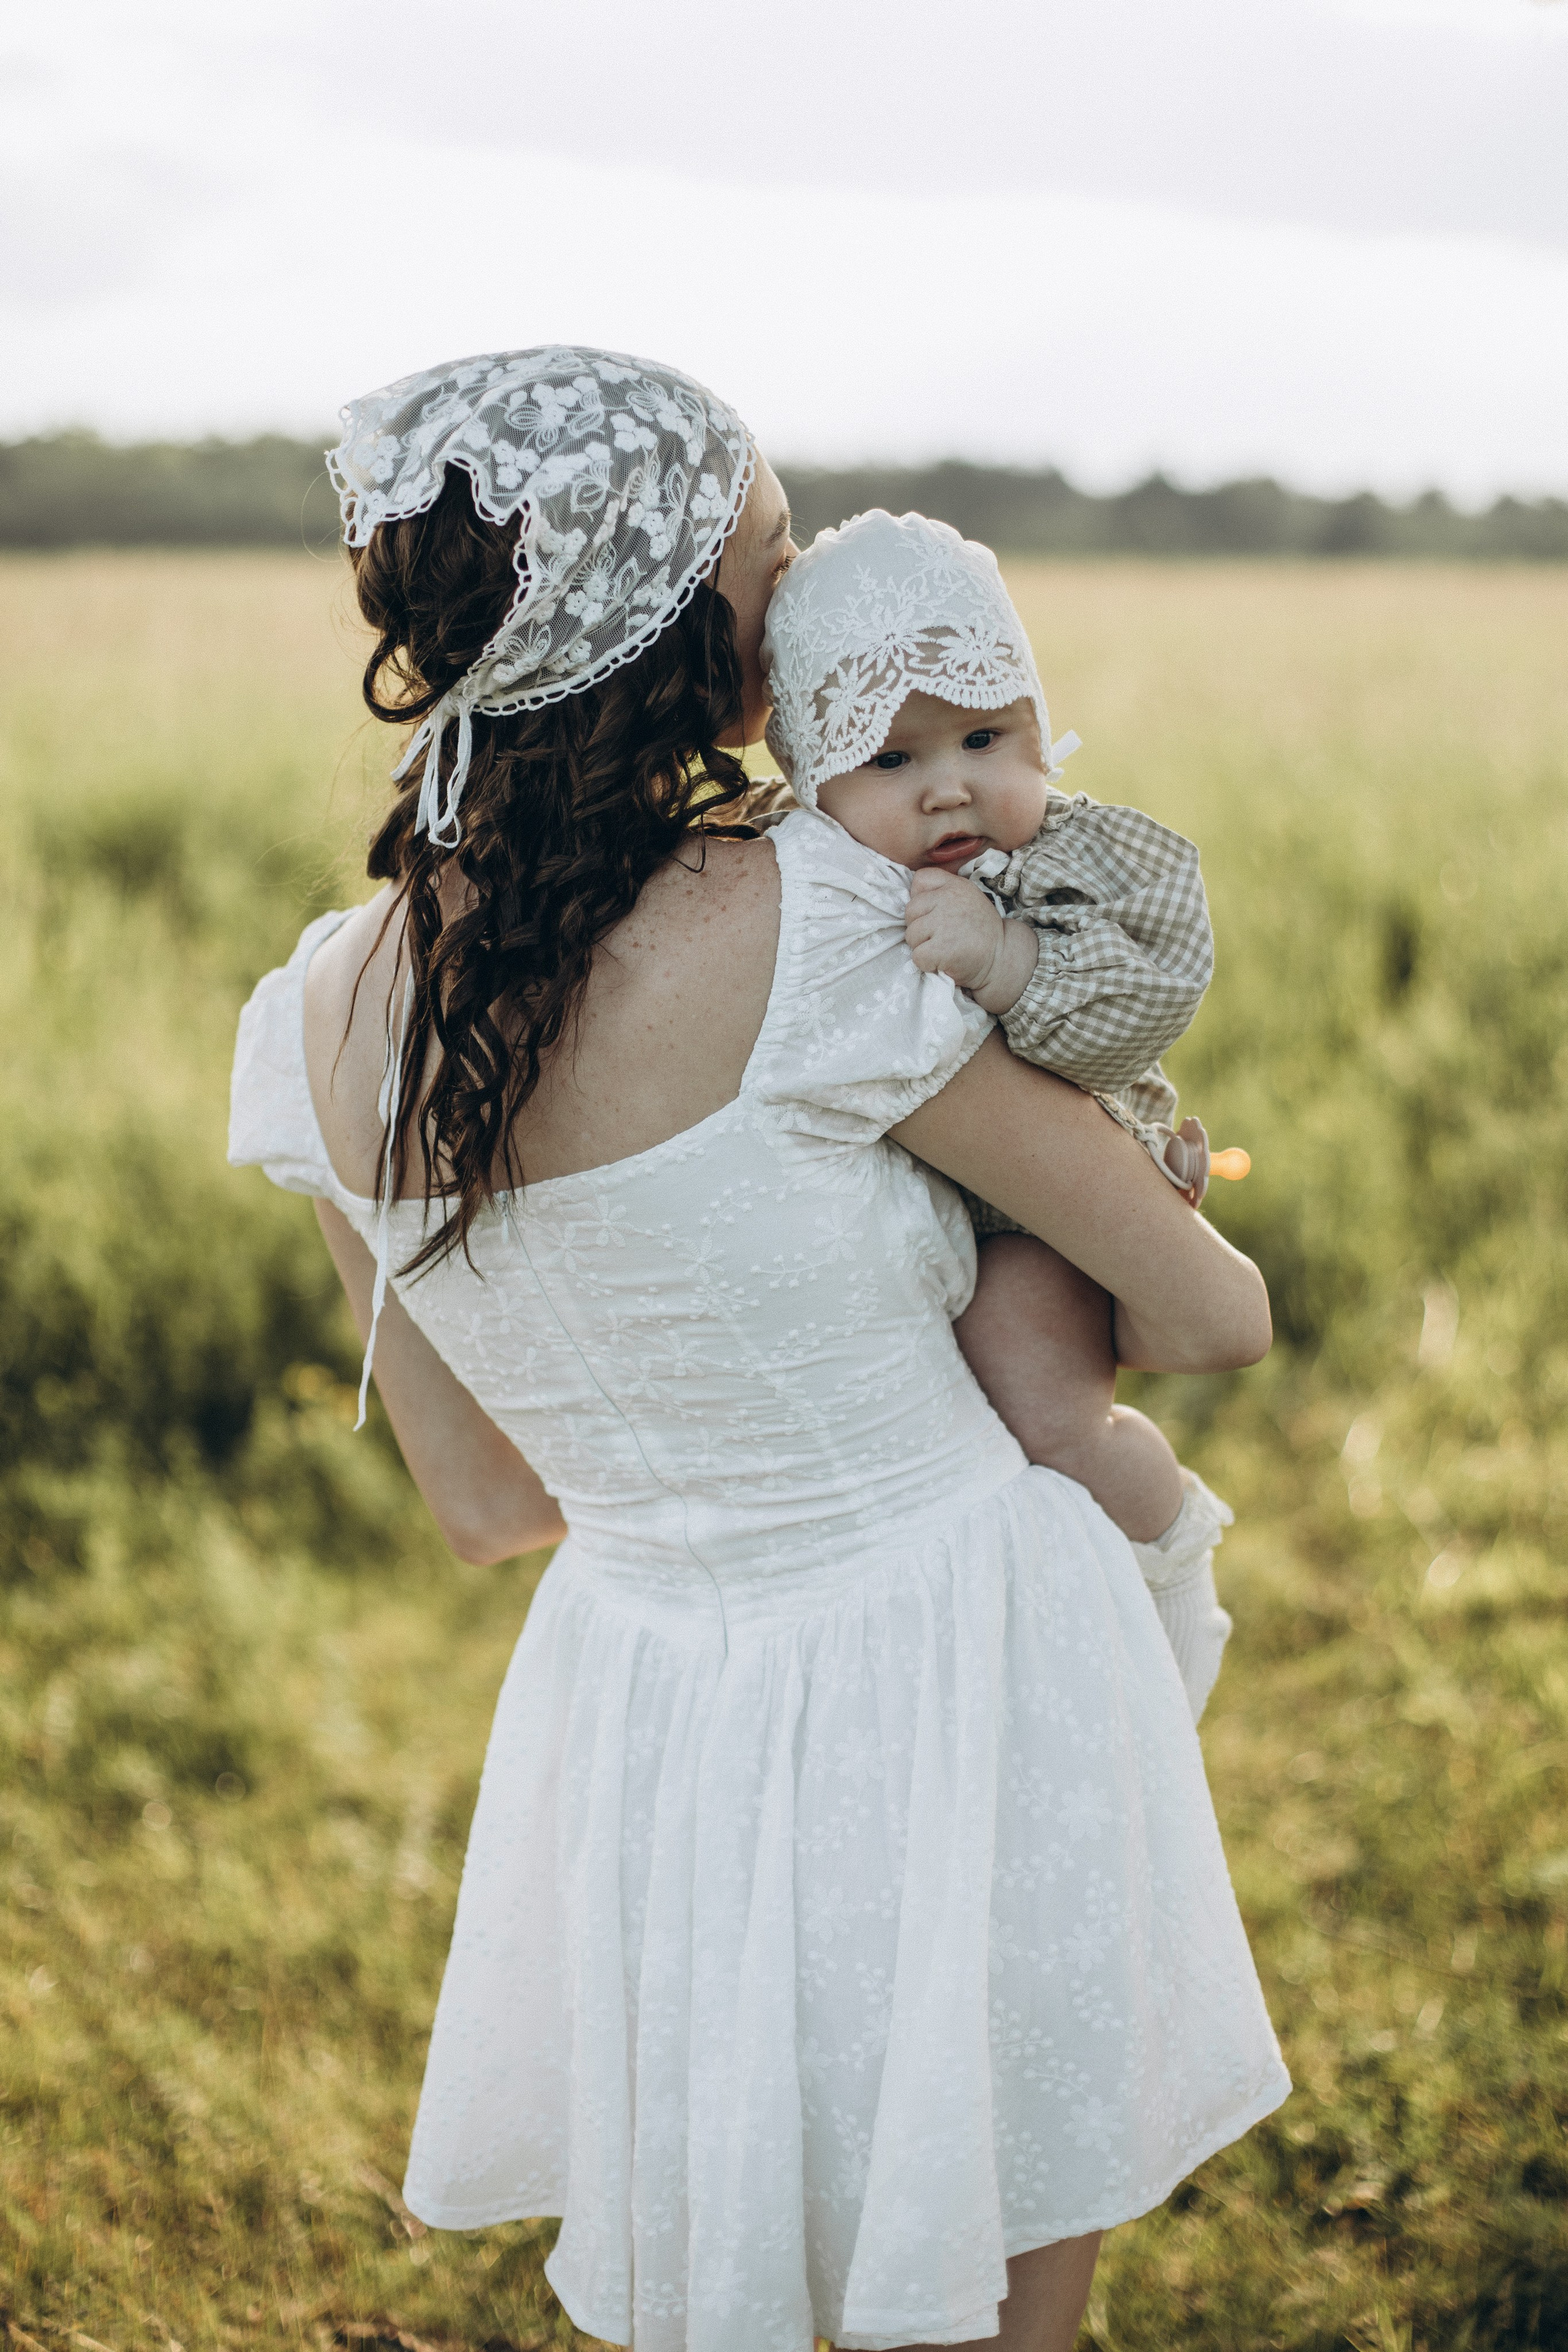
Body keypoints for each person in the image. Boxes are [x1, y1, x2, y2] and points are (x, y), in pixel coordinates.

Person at [228, 345, 1289, 2352]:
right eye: (776, 556)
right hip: (955, 1664)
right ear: (668, 623)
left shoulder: (312, 1021)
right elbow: (1214, 1311)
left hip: (649, 1718)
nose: (796, 602)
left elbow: (479, 1508)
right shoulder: (815, 920)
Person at [761, 509, 1235, 1718]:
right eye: (890, 759)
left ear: (1037, 726)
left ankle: (1160, 1549)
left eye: (983, 737)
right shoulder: (808, 881)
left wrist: (1010, 957)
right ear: (807, 777)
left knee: (1038, 1407)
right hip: (905, 1204)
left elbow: (1152, 991)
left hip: (1034, 1208)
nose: (949, 789)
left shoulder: (1060, 868)